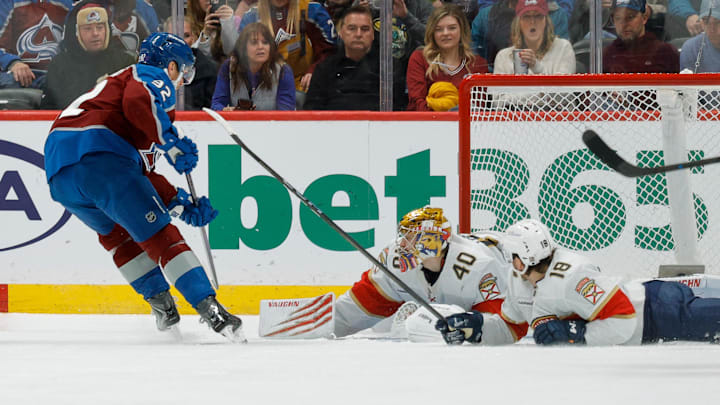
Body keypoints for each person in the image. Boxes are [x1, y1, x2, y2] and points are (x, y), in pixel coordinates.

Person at [43, 32, 245, 343]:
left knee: (118, 236)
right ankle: (210, 309)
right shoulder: (150, 75)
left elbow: (138, 174)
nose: (181, 82)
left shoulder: (112, 92)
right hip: (100, 156)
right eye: (185, 73)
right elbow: (139, 101)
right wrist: (172, 143)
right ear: (173, 66)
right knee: (160, 235)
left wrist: (177, 201)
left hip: (61, 173)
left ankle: (163, 307)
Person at [435, 219, 720, 346]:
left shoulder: (572, 273)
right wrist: (478, 328)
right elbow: (512, 326)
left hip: (656, 310)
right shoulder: (518, 278)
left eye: (513, 255)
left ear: (525, 256)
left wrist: (575, 333)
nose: (509, 261)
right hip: (647, 311)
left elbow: (624, 319)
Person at [41, 2, 137, 110]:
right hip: (71, 125)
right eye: (88, 28)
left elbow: (136, 106)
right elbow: (47, 109)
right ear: (76, 32)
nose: (95, 33)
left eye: (100, 27)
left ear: (107, 29)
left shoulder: (125, 63)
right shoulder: (59, 65)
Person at [238, 0, 336, 96]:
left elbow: (330, 51)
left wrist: (315, 71)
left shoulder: (311, 10)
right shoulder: (251, 17)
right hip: (264, 86)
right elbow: (241, 59)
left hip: (303, 83)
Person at [406, 4, 488, 111]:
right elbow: (417, 102)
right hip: (425, 124)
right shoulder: (420, 59)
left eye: (452, 28)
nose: (445, 33)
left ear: (462, 30)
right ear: (432, 32)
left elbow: (478, 107)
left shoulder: (477, 64)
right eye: (439, 29)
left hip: (465, 126)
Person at [304, 5, 379, 110]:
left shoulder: (386, 69)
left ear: (373, 34)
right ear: (340, 32)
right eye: (352, 28)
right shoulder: (324, 69)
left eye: (365, 29)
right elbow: (311, 112)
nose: (358, 34)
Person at [211, 22, 295, 110]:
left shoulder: (283, 70)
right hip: (236, 123)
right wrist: (224, 110)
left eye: (265, 42)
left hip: (271, 123)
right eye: (254, 43)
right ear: (243, 47)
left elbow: (286, 112)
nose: (260, 47)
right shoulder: (229, 66)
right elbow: (217, 103)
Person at [470, 0, 569, 69]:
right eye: (526, 17)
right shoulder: (485, 16)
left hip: (545, 85)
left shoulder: (557, 15)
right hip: (498, 84)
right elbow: (474, 59)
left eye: (537, 16)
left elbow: (559, 62)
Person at [0, 0, 74, 90]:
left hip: (53, 77)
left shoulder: (67, 5)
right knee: (9, 83)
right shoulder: (7, 2)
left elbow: (76, 44)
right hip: (14, 76)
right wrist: (12, 63)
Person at [493, 0, 575, 74]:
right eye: (526, 16)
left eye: (538, 16)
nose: (532, 22)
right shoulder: (503, 57)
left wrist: (537, 68)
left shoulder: (563, 48)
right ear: (518, 23)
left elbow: (562, 88)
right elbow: (499, 90)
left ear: (546, 21)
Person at [603, 0, 679, 73]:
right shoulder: (608, 55)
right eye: (618, 18)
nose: (623, 24)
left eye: (630, 17)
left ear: (644, 18)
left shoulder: (665, 52)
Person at [163, 16, 219, 110]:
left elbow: (211, 113)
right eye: (174, 36)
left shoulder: (209, 70)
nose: (180, 42)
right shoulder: (152, 68)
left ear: (193, 38)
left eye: (186, 36)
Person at [680, 0, 720, 72]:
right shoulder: (691, 48)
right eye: (706, 21)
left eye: (718, 22)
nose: (712, 29)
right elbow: (687, 82)